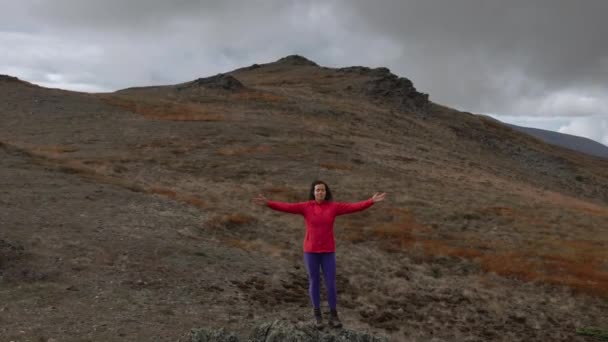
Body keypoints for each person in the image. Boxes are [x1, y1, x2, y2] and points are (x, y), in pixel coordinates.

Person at [253, 180, 386, 329]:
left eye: (322, 190)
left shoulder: (333, 207)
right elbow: (287, 207)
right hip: (311, 251)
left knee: (331, 283)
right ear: (313, 192)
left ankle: (333, 316)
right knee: (314, 282)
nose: (320, 192)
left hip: (328, 251)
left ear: (326, 192)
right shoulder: (306, 207)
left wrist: (371, 201)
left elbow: (353, 207)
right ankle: (318, 316)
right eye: (317, 190)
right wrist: (269, 203)